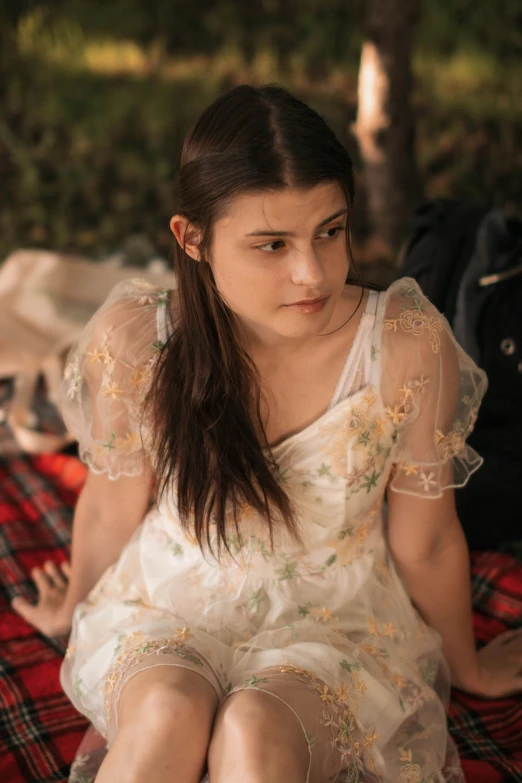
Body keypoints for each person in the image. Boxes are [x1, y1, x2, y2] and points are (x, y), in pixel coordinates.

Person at [12, 84, 522, 783]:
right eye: (272, 244)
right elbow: (110, 502)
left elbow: (426, 535)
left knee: (254, 734)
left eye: (330, 231)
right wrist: (72, 612)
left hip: (336, 619)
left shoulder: (400, 344)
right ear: (192, 239)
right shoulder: (138, 342)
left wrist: (466, 666)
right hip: (170, 600)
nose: (312, 272)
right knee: (164, 710)